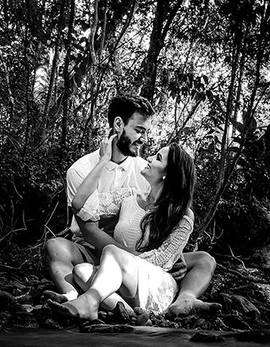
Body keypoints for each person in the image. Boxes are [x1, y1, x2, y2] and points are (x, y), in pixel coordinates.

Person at [43, 94, 218, 318]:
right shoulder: (81, 170)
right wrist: (103, 161)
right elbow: (86, 222)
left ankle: (185, 298)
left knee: (203, 258)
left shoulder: (144, 171)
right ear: (118, 125)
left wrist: (172, 256)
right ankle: (90, 300)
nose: (144, 140)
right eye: (139, 130)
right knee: (64, 254)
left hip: (142, 262)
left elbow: (161, 246)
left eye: (146, 132)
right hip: (92, 246)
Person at [50, 142, 197, 321]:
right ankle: (133, 315)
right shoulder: (128, 196)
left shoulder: (183, 215)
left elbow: (161, 260)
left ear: (169, 175)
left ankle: (91, 300)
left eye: (157, 158)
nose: (149, 159)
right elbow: (79, 204)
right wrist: (103, 160)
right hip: (120, 280)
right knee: (81, 271)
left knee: (110, 251)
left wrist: (117, 260)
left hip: (155, 284)